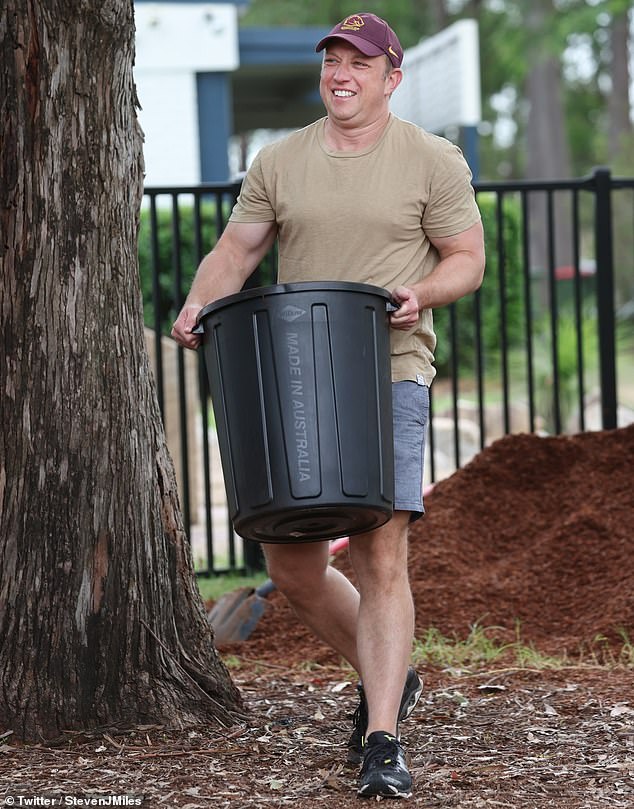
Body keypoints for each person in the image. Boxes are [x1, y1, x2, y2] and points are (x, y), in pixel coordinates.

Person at [172, 11, 485, 800]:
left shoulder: (431, 160)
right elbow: (237, 248)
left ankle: (382, 737)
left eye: (358, 63)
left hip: (390, 370)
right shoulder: (282, 160)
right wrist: (199, 303)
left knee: (382, 553)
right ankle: (393, 676)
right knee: (293, 562)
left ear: (391, 77)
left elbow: (467, 259)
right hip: (299, 376)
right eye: (332, 61)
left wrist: (424, 293)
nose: (340, 74)